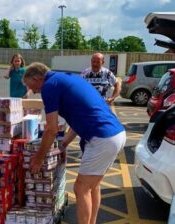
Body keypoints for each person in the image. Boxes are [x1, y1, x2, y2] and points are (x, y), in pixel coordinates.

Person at [23, 62, 126, 224]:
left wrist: (39, 157)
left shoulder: (49, 86)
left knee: (81, 188)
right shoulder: (66, 78)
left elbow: (51, 129)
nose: (35, 92)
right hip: (116, 133)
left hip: (102, 138)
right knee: (93, 185)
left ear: (37, 78)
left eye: (33, 87)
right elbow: (80, 116)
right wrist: (64, 143)